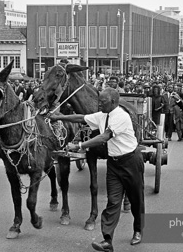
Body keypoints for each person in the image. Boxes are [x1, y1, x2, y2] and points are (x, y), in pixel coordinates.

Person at [49, 88, 145, 251]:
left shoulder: (121, 116)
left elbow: (104, 137)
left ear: (113, 102)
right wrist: (58, 117)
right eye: (99, 100)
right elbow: (81, 118)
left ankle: (138, 230)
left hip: (131, 162)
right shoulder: (102, 115)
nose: (99, 103)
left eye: (103, 101)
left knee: (136, 200)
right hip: (114, 165)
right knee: (113, 202)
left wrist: (80, 145)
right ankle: (107, 241)